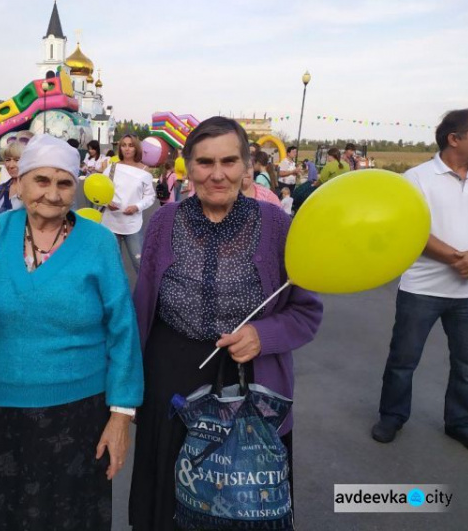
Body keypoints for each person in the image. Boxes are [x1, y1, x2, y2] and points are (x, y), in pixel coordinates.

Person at [0, 134, 143, 529]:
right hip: (3, 413)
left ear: (77, 187)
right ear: (18, 181)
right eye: (42, 180)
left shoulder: (99, 242)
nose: (53, 195)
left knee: (77, 518)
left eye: (64, 183)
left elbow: (123, 329)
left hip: (82, 414)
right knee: (8, 517)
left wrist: (121, 417)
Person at [129, 116, 323, 530]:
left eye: (230, 161)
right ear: (188, 167)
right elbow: (142, 307)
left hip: (249, 377)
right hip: (171, 376)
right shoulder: (164, 221)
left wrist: (262, 334)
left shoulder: (277, 226)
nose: (217, 174)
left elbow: (307, 312)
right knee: (168, 494)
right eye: (204, 162)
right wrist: (128, 386)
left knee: (242, 497)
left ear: (247, 165)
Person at [372, 109, 468, 452]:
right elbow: (411, 230)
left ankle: (461, 422)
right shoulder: (416, 179)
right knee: (403, 359)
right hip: (422, 289)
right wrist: (457, 259)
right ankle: (392, 416)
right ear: (454, 138)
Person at [101, 134, 156, 273]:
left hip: (132, 224)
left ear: (136, 148)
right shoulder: (111, 168)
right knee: (112, 266)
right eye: (124, 145)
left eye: (131, 145)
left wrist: (137, 207)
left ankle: (145, 295)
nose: (127, 149)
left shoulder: (144, 170)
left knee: (140, 264)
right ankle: (116, 294)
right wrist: (107, 202)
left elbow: (150, 196)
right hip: (110, 223)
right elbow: (101, 190)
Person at [0, 134, 28, 220]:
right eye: (7, 160)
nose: (11, 165)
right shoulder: (1, 189)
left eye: (17, 160)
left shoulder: (36, 191)